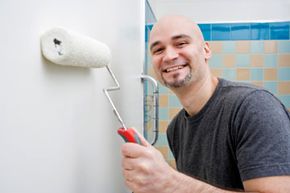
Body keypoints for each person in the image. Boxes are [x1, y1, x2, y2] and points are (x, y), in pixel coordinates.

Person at [120, 15, 290, 193]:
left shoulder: (253, 107)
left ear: (206, 50)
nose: (169, 56)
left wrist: (171, 182)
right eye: (158, 50)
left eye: (181, 43)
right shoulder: (175, 129)